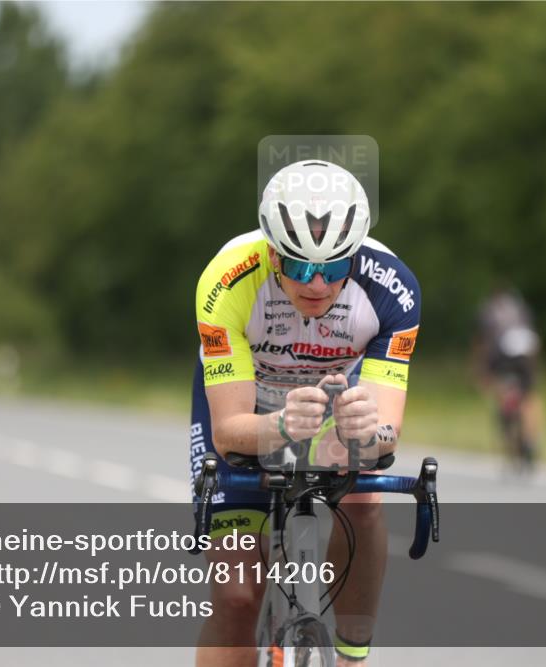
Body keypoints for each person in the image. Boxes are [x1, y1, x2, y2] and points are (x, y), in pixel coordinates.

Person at [190, 160, 421, 666]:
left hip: (336, 397)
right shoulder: (227, 280)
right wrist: (276, 427)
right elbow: (228, 432)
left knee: (363, 497)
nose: (317, 283)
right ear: (273, 254)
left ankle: (353, 655)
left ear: (355, 256)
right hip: (249, 404)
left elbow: (387, 434)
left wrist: (369, 431)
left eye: (335, 268)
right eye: (298, 267)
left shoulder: (393, 290)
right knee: (236, 597)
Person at [471, 286, 542, 466]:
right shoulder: (521, 307)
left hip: (503, 352)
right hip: (527, 350)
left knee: (502, 389)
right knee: (530, 396)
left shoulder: (489, 310)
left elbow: (485, 341)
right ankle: (530, 439)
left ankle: (507, 415)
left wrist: (483, 371)